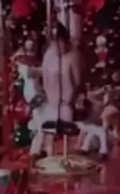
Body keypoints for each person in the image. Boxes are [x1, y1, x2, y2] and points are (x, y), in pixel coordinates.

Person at [29, 22, 81, 157]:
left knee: (65, 125)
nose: (57, 47)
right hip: (51, 99)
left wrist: (74, 99)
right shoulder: (49, 55)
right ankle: (46, 153)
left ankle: (65, 155)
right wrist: (35, 72)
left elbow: (77, 81)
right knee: (47, 129)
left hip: (66, 101)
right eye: (54, 44)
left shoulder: (72, 57)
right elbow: (46, 72)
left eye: (60, 43)